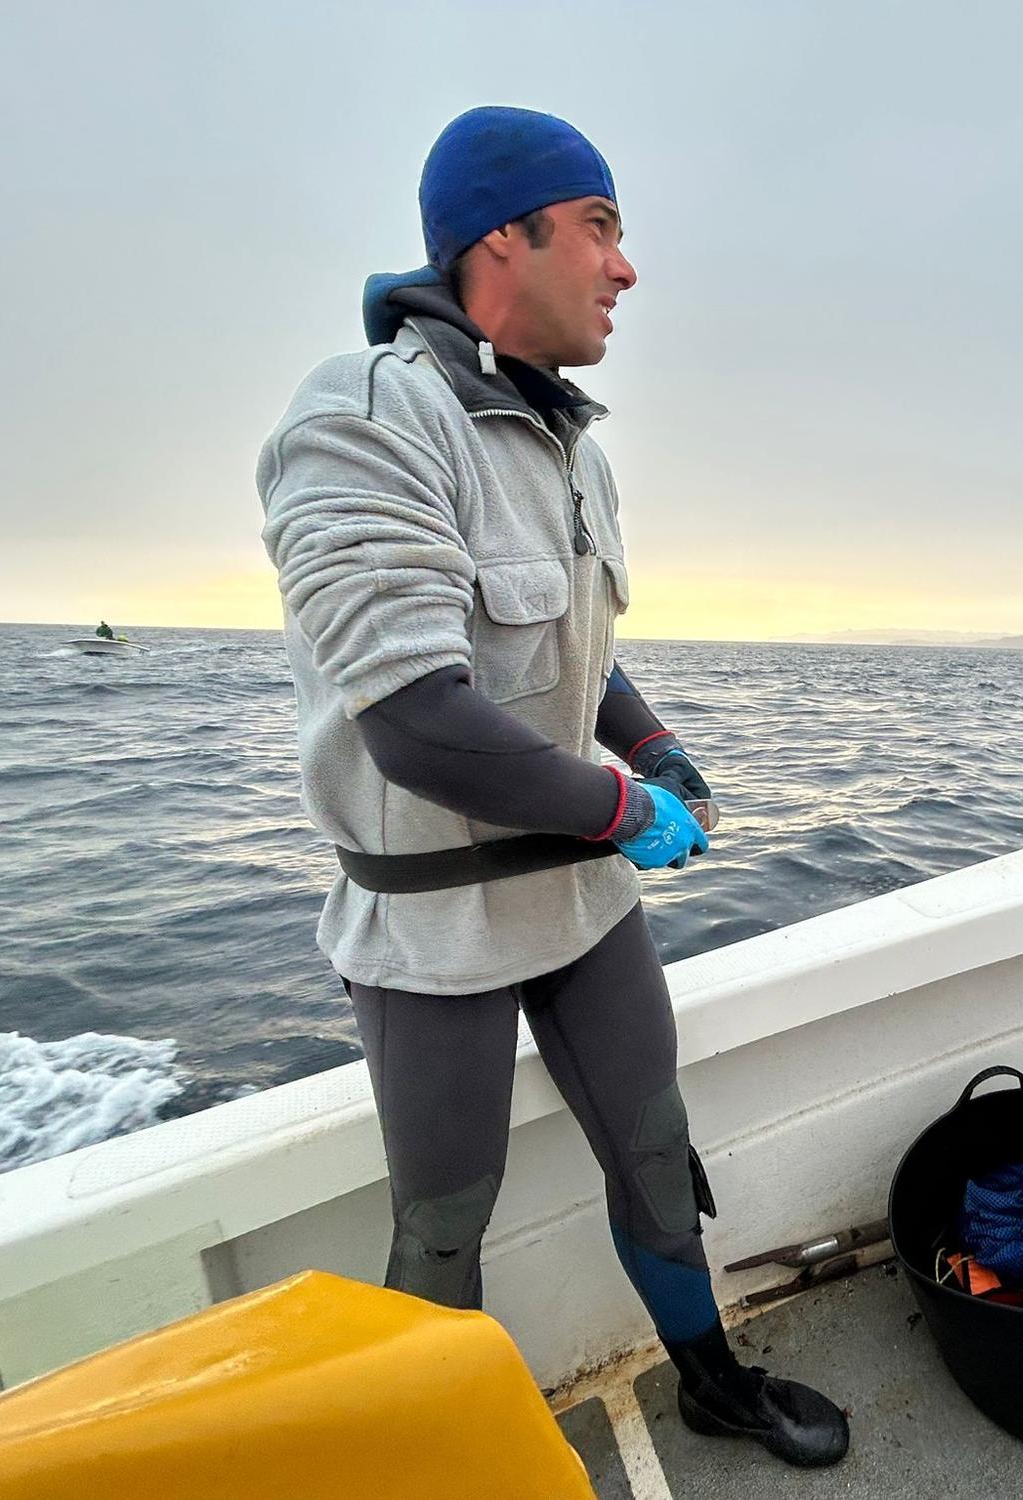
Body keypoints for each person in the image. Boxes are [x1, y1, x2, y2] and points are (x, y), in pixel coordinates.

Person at [257, 107, 847, 1468]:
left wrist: (650, 747)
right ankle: (436, 1458)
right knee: (442, 1224)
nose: (626, 268)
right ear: (500, 242)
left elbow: (580, 654)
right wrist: (629, 813)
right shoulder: (362, 421)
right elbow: (417, 723)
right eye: (601, 229)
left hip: (581, 904)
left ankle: (710, 1380)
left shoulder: (576, 446)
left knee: (656, 1154)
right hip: (432, 930)